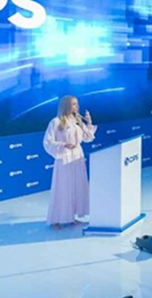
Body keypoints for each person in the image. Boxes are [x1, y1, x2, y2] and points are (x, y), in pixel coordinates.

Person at [43, 95, 96, 229]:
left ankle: (70, 216)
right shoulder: (56, 122)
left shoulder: (77, 121)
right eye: (73, 104)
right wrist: (63, 145)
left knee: (76, 186)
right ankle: (55, 219)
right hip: (64, 157)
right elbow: (48, 142)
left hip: (77, 157)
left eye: (77, 104)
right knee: (63, 188)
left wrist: (89, 123)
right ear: (66, 105)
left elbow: (88, 138)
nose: (76, 107)